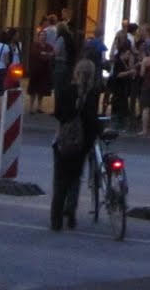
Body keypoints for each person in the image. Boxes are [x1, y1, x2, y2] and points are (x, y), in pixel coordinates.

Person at [50, 57, 101, 230]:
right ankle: (70, 211)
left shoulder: (65, 91)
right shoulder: (92, 94)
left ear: (76, 73)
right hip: (83, 142)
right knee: (75, 178)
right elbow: (92, 120)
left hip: (64, 140)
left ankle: (55, 220)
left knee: (60, 180)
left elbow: (58, 114)